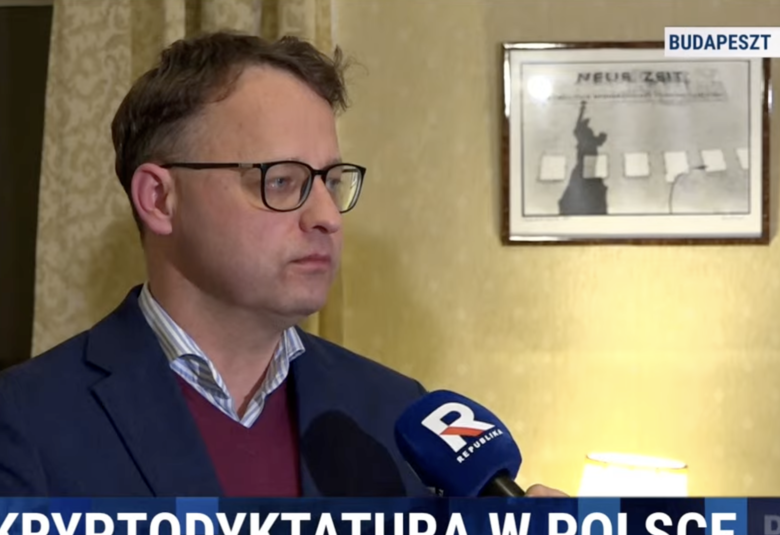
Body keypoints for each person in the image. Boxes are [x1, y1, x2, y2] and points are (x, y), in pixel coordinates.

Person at [0, 31, 566, 498]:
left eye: (331, 182)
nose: (327, 217)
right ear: (159, 199)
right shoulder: (27, 423)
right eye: (282, 181)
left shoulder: (393, 415)